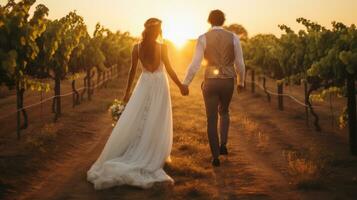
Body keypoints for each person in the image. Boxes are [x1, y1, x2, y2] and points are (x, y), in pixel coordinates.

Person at [87, 18, 188, 189]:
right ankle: (152, 151)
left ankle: (137, 148)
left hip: (144, 84)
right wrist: (181, 86)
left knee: (141, 116)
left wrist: (127, 93)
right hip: (159, 85)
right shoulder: (163, 47)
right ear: (157, 31)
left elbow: (132, 71)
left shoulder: (136, 48)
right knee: (156, 119)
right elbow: (169, 69)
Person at [182, 10, 246, 167]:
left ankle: (215, 156)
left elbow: (195, 63)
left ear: (209, 21)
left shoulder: (203, 38)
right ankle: (223, 144)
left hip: (210, 80)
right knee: (224, 111)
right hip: (228, 81)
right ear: (223, 21)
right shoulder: (233, 37)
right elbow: (240, 62)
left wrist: (186, 82)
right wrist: (241, 82)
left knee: (211, 119)